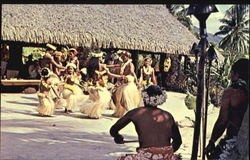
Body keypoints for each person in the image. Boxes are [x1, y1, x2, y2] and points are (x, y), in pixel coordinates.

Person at [110, 85, 182, 160]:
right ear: (160, 99)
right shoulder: (167, 116)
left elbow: (113, 130)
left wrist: (117, 137)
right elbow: (178, 142)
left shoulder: (135, 113)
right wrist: (164, 153)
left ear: (144, 97)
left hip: (146, 156)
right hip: (167, 156)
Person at [205, 58, 249, 159]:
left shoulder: (231, 92)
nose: (230, 77)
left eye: (231, 72)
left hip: (234, 142)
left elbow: (222, 121)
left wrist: (212, 141)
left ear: (236, 74)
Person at [79, 51, 112, 119]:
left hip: (92, 85)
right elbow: (109, 68)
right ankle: (96, 113)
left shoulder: (90, 67)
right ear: (97, 58)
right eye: (100, 57)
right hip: (99, 86)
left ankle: (93, 113)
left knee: (94, 100)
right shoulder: (101, 66)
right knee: (100, 101)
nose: (101, 58)